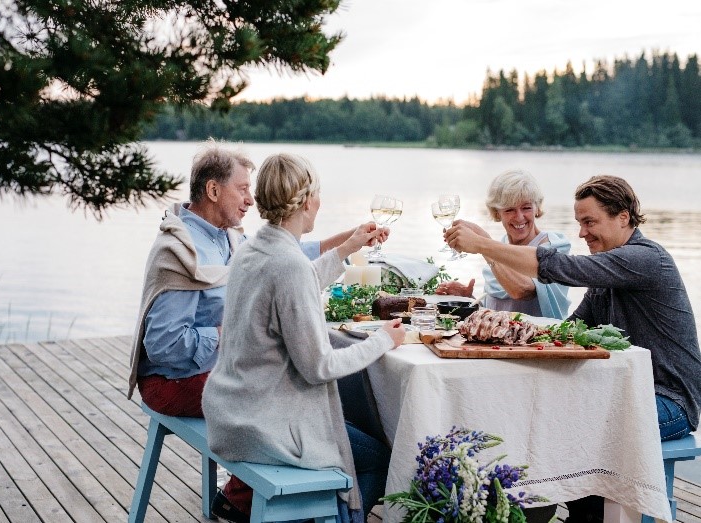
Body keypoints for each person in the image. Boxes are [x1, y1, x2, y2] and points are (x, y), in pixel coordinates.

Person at [126, 141, 388, 522]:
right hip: (175, 379)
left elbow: (290, 264)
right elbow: (165, 347)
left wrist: (347, 244)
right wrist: (235, 332)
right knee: (318, 398)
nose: (250, 199)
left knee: (324, 399)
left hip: (225, 379)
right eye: (242, 188)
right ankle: (263, 500)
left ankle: (247, 498)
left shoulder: (234, 241)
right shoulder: (181, 249)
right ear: (214, 190)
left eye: (252, 188)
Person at [446, 175, 701, 523]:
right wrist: (492, 325)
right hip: (625, 394)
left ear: (623, 217)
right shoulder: (608, 277)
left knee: (575, 432)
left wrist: (484, 245)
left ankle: (558, 514)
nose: (582, 233)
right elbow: (570, 332)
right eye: (580, 223)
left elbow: (560, 267)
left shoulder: (645, 259)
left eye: (590, 222)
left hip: (670, 402)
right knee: (541, 419)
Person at [202, 153, 407, 523]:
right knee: (380, 461)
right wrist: (383, 342)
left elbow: (297, 282)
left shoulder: (254, 248)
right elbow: (319, 367)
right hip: (262, 424)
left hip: (231, 407)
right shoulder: (287, 263)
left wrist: (347, 249)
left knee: (355, 433)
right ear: (308, 200)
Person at [435, 169, 571, 319]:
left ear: (537, 208)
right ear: (496, 213)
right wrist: (469, 300)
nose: (519, 217)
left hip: (539, 341)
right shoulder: (499, 246)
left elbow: (522, 290)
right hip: (501, 340)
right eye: (509, 210)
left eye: (526, 208)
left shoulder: (554, 246)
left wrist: (483, 242)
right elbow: (497, 313)